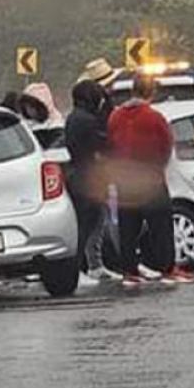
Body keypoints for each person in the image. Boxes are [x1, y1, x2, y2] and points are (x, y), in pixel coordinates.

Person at [107, 74, 194, 287]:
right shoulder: (154, 117)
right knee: (160, 226)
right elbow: (166, 145)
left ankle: (129, 270)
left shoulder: (115, 117)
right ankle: (167, 268)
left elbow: (110, 145)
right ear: (151, 92)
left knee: (127, 226)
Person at [64, 79, 121, 283]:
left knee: (95, 221)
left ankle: (95, 265)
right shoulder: (87, 121)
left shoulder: (74, 118)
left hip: (80, 175)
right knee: (87, 224)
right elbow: (104, 144)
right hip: (89, 177)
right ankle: (79, 268)